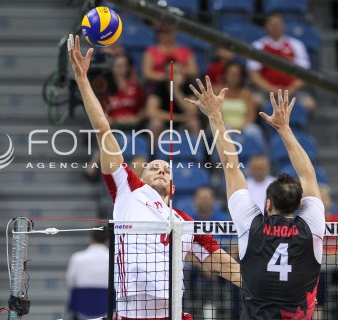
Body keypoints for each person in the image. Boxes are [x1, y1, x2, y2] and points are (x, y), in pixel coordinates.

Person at [68, 34, 240, 320]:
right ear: (141, 175)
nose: (161, 169)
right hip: (130, 313)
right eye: (153, 166)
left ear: (172, 186)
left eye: (167, 169)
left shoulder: (184, 221)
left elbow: (223, 263)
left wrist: (262, 289)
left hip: (172, 314)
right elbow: (103, 129)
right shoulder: (128, 189)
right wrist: (83, 80)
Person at [186, 76, 325, 319]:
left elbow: (230, 165)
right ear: (300, 205)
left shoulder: (252, 226)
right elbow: (308, 174)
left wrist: (214, 115)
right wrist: (285, 129)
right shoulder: (312, 227)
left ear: (267, 204)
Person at [247, 12, 316, 112]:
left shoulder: (296, 45)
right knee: (254, 101)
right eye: (272, 25)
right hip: (266, 92)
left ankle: (302, 127)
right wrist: (271, 89)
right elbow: (254, 75)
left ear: (283, 26)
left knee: (309, 103)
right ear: (266, 27)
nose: (275, 28)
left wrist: (291, 89)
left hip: (293, 91)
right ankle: (262, 127)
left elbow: (304, 75)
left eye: (278, 25)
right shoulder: (258, 46)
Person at [66, 228, 109, 320]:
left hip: (82, 303)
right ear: (107, 240)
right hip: (105, 304)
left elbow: (70, 280)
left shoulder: (77, 257)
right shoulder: (113, 258)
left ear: (91, 239)